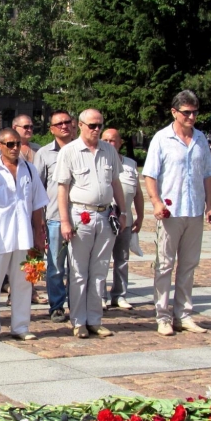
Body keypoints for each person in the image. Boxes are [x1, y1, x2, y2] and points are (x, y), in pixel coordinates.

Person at [143, 90, 211, 337]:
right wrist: (155, 202)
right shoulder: (161, 139)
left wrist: (210, 204)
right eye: (186, 112)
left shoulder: (200, 139)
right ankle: (162, 315)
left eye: (195, 112)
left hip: (194, 210)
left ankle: (184, 314)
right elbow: (150, 175)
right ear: (174, 112)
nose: (191, 117)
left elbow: (207, 173)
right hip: (169, 212)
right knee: (164, 265)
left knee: (188, 265)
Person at [56, 109, 126, 338]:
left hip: (105, 215)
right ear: (80, 125)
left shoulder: (108, 150)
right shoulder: (69, 151)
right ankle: (78, 321)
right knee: (78, 270)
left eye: (99, 125)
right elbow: (62, 188)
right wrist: (65, 221)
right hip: (81, 215)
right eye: (92, 126)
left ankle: (95, 319)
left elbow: (116, 182)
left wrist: (123, 211)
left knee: (100, 270)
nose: (96, 130)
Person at [0, 128, 48, 341]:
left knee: (24, 282)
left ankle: (20, 326)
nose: (15, 148)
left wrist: (38, 235)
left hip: (24, 235)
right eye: (10, 144)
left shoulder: (29, 169)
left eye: (17, 143)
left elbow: (37, 205)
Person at [34, 110, 73, 322]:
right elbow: (38, 188)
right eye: (59, 124)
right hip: (56, 216)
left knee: (78, 266)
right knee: (56, 265)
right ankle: (57, 305)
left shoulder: (82, 149)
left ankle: (78, 304)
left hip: (81, 216)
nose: (64, 126)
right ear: (52, 129)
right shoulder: (44, 153)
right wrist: (40, 218)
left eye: (67, 122)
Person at [102, 128, 144, 310]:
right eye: (106, 140)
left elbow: (138, 193)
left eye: (113, 140)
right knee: (102, 260)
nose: (109, 144)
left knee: (122, 259)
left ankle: (119, 295)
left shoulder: (130, 164)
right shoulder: (100, 161)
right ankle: (100, 295)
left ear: (120, 143)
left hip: (125, 219)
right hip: (104, 219)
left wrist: (140, 216)